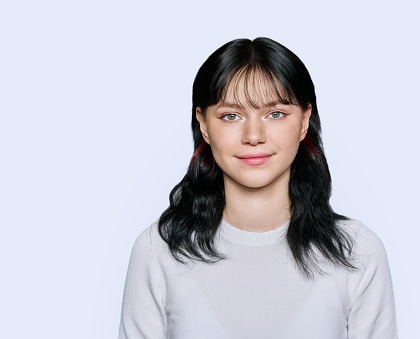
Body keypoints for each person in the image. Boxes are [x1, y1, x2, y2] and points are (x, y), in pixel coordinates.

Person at [118, 37, 398, 339]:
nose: (253, 135)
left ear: (304, 120)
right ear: (204, 125)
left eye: (275, 113)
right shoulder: (158, 251)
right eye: (231, 116)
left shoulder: (357, 251)